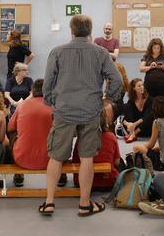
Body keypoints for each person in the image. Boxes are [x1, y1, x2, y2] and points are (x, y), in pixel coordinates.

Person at [39, 15, 122, 217]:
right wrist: (107, 100)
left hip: (64, 110)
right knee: (87, 158)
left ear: (72, 30)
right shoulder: (101, 52)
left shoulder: (57, 52)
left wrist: (52, 101)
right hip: (90, 111)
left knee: (56, 157)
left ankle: (49, 202)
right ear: (90, 31)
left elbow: (47, 82)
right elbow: (117, 79)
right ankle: (84, 204)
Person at [8, 79, 56, 187]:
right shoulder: (55, 106)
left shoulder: (22, 105)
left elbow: (10, 127)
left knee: (12, 133)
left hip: (21, 158)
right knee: (63, 135)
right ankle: (62, 175)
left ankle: (18, 175)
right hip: (52, 159)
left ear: (33, 91)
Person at [73, 100, 122, 191]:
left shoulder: (82, 138)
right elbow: (117, 162)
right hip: (107, 181)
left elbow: (75, 159)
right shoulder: (111, 137)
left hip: (81, 181)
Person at [133, 96, 164, 171]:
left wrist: (142, 146)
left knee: (136, 147)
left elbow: (150, 144)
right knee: (156, 148)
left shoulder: (157, 122)